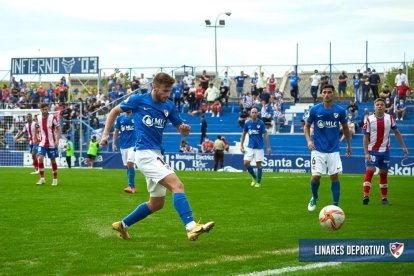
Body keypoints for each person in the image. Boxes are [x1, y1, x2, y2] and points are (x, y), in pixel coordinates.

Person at [100, 72, 214, 241]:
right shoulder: (138, 100)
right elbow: (114, 112)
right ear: (155, 87)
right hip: (144, 153)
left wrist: (184, 130)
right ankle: (191, 227)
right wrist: (105, 135)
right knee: (177, 186)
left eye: (170, 91)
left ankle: (122, 225)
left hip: (156, 153)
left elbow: (181, 129)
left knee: (156, 204)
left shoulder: (168, 106)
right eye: (165, 91)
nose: (168, 95)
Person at [304, 84, 352, 211]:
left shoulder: (340, 111)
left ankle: (335, 206)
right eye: (324, 92)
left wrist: (348, 144)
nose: (326, 94)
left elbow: (346, 128)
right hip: (317, 149)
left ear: (333, 94)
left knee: (334, 176)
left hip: (333, 150)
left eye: (329, 92)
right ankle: (314, 197)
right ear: (321, 94)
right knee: (315, 177)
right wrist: (309, 141)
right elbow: (306, 126)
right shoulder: (315, 110)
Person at [362, 98, 408, 205]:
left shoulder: (390, 118)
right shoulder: (369, 119)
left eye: (381, 104)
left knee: (383, 174)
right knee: (370, 171)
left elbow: (397, 132)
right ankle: (366, 196)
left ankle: (384, 199)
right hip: (372, 150)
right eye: (377, 104)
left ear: (384, 106)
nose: (379, 106)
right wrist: (366, 153)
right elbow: (365, 137)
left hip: (385, 151)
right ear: (374, 107)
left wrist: (403, 146)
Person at [240, 107, 272, 187]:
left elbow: (265, 134)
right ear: (250, 113)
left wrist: (268, 147)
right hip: (250, 147)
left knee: (259, 165)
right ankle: (254, 177)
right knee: (246, 163)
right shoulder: (247, 123)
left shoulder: (261, 123)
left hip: (259, 147)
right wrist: (241, 145)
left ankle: (258, 182)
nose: (254, 114)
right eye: (252, 112)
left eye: (255, 112)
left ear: (257, 113)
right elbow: (244, 134)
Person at [35, 103, 61, 186]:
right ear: (41, 110)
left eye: (46, 109)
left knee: (52, 160)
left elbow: (58, 128)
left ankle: (55, 179)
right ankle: (42, 178)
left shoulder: (53, 117)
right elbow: (36, 127)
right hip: (42, 142)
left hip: (52, 143)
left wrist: (57, 140)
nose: (45, 111)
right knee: (40, 158)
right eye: (43, 109)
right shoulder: (38, 118)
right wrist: (36, 137)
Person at [113, 110, 138, 193]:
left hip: (133, 144)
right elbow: (116, 131)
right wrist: (114, 143)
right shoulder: (120, 118)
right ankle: (130, 185)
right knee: (127, 166)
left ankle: (132, 187)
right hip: (123, 145)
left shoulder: (136, 116)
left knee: (130, 163)